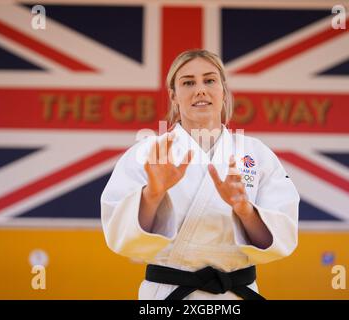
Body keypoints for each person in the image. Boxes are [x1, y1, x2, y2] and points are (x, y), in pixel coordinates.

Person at [100, 49, 300, 300]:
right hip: (170, 294)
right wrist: (152, 195)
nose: (200, 90)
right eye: (188, 83)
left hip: (236, 296)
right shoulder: (148, 153)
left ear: (223, 91)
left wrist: (245, 210)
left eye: (209, 80)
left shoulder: (256, 154)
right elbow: (122, 238)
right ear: (174, 96)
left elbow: (283, 237)